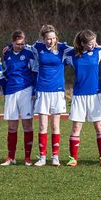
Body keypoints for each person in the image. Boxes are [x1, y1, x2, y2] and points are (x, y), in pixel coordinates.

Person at [64, 29, 101, 167]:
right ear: (82, 43)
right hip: (79, 95)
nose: (93, 45)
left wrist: (99, 46)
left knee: (99, 126)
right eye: (90, 43)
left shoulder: (99, 51)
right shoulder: (72, 55)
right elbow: (56, 54)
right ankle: (73, 158)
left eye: (94, 42)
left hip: (95, 95)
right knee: (76, 127)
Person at [30, 25, 73, 167]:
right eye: (48, 39)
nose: (51, 41)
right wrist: (8, 49)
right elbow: (22, 47)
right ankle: (42, 157)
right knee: (43, 125)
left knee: (55, 125)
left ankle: (55, 156)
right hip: (42, 90)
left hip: (58, 91)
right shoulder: (37, 47)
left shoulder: (62, 48)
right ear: (43, 39)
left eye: (54, 38)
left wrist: (93, 45)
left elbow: (79, 49)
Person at [0, 30, 36, 165]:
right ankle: (11, 157)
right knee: (12, 126)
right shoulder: (7, 54)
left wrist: (34, 90)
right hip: (11, 92)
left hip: (26, 90)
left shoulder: (29, 53)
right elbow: (3, 73)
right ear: (13, 41)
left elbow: (34, 72)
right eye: (18, 43)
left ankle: (27, 158)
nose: (21, 46)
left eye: (22, 43)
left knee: (27, 125)